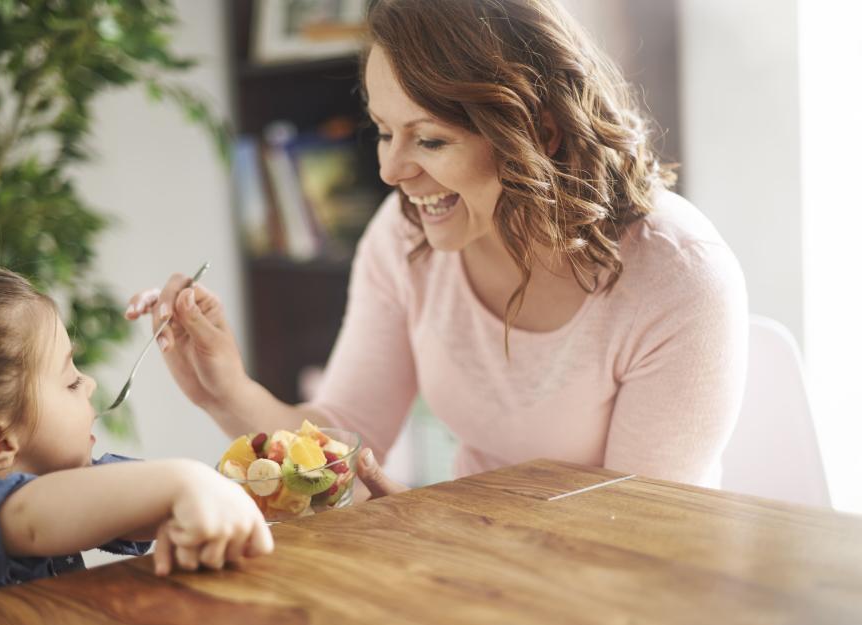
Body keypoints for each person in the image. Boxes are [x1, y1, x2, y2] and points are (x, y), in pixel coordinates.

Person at [128, 0, 747, 496]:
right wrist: (225, 390)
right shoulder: (404, 239)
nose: (392, 171)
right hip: (475, 576)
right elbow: (347, 443)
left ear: (540, 134)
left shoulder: (677, 278)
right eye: (383, 131)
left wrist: (432, 532)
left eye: (429, 141)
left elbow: (638, 531)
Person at [0, 267, 272, 618]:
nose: (90, 383)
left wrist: (226, 494)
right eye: (71, 379)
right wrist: (184, 482)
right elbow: (30, 515)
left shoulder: (59, 480)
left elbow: (133, 503)